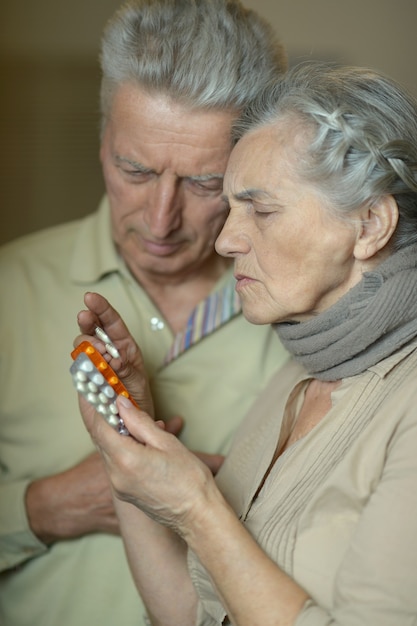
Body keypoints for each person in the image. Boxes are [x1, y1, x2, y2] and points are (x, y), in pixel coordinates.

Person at [75, 61, 417, 625]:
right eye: (230, 206)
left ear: (371, 225)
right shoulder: (298, 371)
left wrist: (196, 507)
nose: (227, 240)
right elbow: (192, 613)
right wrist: (126, 442)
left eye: (261, 209)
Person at [0, 2, 288, 625]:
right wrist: (41, 509)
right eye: (135, 170)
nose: (161, 219)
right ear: (101, 138)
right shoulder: (8, 287)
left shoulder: (311, 318)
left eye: (205, 183)